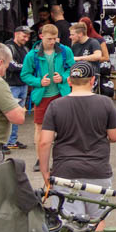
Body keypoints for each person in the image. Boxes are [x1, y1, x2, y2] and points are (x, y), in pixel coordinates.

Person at [38, 61, 116, 225]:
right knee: (97, 220)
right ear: (92, 81)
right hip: (97, 170)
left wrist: (45, 172)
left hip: (65, 172)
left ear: (69, 81)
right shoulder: (105, 103)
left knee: (69, 223)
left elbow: (44, 142)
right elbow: (115, 136)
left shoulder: (56, 105)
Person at [22, 24, 74, 171]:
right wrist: (39, 82)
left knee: (65, 127)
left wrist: (63, 77)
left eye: (55, 39)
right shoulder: (32, 55)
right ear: (41, 37)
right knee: (39, 127)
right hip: (42, 96)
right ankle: (40, 159)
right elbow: (25, 74)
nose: (52, 42)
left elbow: (73, 68)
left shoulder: (65, 51)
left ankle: (63, 158)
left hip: (61, 94)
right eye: (49, 39)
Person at [0, 43, 26, 180]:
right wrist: (22, 109)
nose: (5, 71)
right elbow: (17, 118)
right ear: (0, 63)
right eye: (7, 66)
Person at [3, 26, 31, 150]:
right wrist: (26, 69)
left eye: (28, 36)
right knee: (8, 114)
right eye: (24, 35)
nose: (26, 38)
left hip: (23, 85)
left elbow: (30, 64)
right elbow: (11, 66)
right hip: (11, 85)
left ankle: (12, 140)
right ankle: (4, 142)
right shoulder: (8, 47)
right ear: (16, 34)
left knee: (19, 115)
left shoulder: (25, 48)